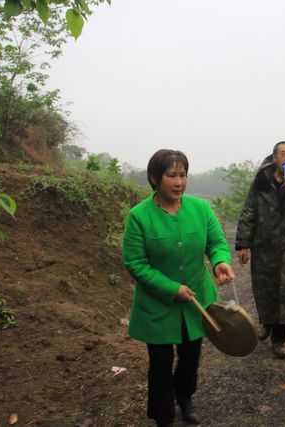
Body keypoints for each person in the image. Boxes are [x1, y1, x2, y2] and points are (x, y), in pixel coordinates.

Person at [122, 149, 235, 427]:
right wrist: (172, 288)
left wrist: (220, 262)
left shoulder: (201, 208)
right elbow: (135, 263)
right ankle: (163, 416)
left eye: (183, 175)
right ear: (155, 178)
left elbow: (216, 243)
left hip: (196, 299)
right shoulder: (139, 216)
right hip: (157, 305)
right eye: (171, 175)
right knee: (160, 363)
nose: (179, 182)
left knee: (190, 356)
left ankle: (185, 397)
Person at [235, 141, 285, 359]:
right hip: (265, 245)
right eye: (283, 154)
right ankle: (266, 323)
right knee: (265, 288)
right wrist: (244, 243)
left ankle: (280, 340)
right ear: (274, 157)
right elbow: (249, 210)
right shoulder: (261, 181)